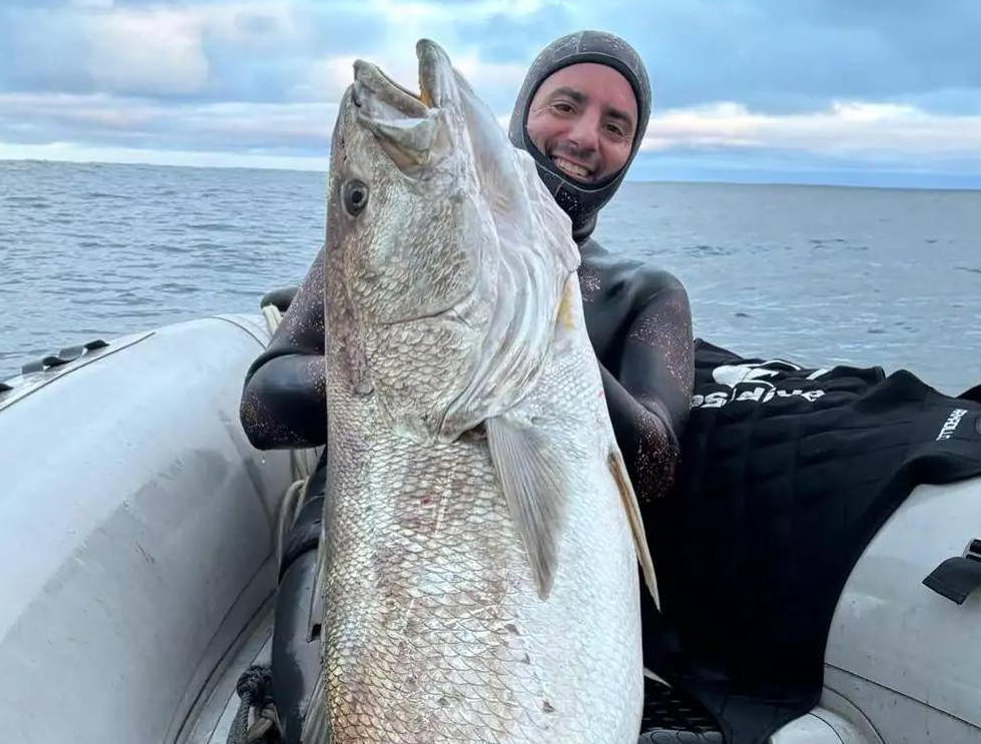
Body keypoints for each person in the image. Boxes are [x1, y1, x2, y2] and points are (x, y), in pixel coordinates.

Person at [239, 29, 694, 503]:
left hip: (561, 558)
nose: (584, 137)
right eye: (564, 107)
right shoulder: (402, 235)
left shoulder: (644, 292)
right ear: (522, 112)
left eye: (615, 127)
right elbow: (264, 408)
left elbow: (654, 466)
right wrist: (421, 362)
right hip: (363, 537)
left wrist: (524, 350)